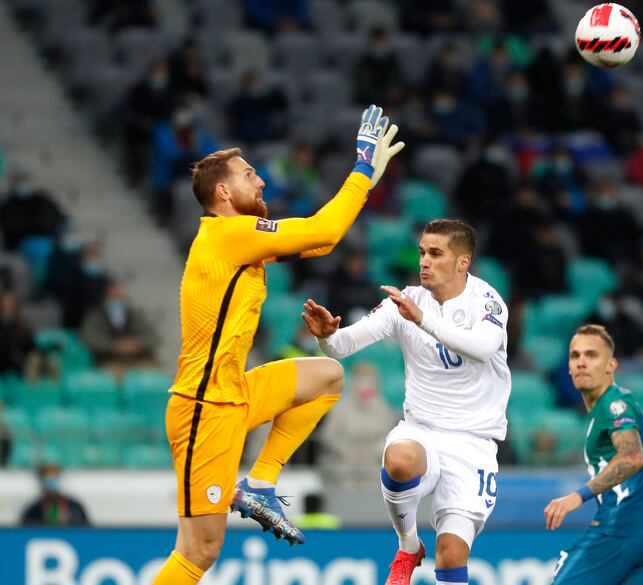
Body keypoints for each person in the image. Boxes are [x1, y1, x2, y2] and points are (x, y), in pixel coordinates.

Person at [151, 105, 404, 585]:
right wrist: (361, 167)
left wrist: (365, 184)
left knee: (328, 376)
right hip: (204, 409)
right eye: (250, 175)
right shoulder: (227, 234)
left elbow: (321, 242)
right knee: (198, 551)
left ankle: (260, 482)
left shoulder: (235, 239)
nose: (262, 181)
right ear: (223, 192)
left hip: (233, 395)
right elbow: (322, 231)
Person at [302, 219, 511, 585]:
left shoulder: (487, 302)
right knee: (399, 460)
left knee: (451, 556)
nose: (424, 262)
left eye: (435, 253)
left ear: (463, 262)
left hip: (473, 442)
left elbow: (481, 348)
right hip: (422, 431)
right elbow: (344, 345)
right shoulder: (405, 301)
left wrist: (423, 320)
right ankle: (408, 545)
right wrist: (326, 338)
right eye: (421, 253)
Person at [544, 324, 643, 584]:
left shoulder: (613, 405)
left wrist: (578, 496)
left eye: (591, 355)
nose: (581, 362)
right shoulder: (615, 404)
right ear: (568, 367)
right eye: (575, 356)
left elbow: (632, 457)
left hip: (618, 533)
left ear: (611, 365)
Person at [318, 361, 398, 487]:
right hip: (344, 472)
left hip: (373, 472)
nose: (365, 385)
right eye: (361, 380)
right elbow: (329, 436)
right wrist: (346, 451)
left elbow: (390, 438)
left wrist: (377, 450)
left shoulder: (383, 409)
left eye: (369, 380)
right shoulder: (340, 409)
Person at [20, 462, 90, 526]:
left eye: (54, 477)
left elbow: (86, 532)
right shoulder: (33, 511)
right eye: (47, 478)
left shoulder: (76, 508)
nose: (51, 481)